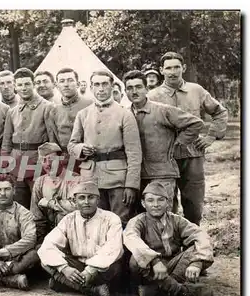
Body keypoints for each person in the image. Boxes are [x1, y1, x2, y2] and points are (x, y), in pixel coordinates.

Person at [148, 51, 228, 225]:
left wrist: (211, 135)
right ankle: (169, 242)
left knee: (194, 202)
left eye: (177, 67)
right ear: (161, 70)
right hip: (165, 157)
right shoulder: (152, 96)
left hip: (193, 154)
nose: (173, 71)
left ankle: (193, 241)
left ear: (183, 68)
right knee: (165, 200)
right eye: (168, 68)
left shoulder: (196, 90)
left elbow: (220, 112)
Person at [68, 69, 142, 226]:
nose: (100, 88)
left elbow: (134, 153)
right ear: (91, 87)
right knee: (96, 221)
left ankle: (122, 251)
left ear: (112, 86)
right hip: (91, 177)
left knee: (120, 221)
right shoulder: (83, 114)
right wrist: (81, 148)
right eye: (96, 84)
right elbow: (72, 144)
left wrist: (131, 185)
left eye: (104, 84)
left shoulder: (125, 114)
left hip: (118, 179)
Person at [123, 70, 204, 210]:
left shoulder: (162, 111)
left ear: (146, 89)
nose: (134, 92)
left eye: (138, 87)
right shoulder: (124, 114)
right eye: (129, 88)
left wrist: (179, 143)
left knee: (164, 217)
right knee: (141, 218)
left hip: (162, 174)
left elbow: (195, 123)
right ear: (125, 91)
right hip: (136, 176)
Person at [123, 182, 214, 296]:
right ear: (143, 204)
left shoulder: (176, 220)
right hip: (150, 271)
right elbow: (132, 238)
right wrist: (154, 261)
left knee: (195, 248)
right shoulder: (137, 221)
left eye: (160, 200)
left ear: (168, 202)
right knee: (136, 258)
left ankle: (159, 290)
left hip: (174, 267)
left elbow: (201, 236)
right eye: (150, 200)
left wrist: (196, 263)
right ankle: (181, 291)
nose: (155, 205)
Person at [37, 181, 123, 296]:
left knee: (115, 266)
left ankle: (64, 283)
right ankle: (92, 290)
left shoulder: (111, 219)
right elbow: (49, 244)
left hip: (101, 269)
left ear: (98, 200)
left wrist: (90, 271)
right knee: (45, 261)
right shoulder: (69, 219)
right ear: (75, 201)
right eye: (82, 198)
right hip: (77, 267)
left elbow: (113, 248)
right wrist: (65, 268)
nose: (86, 202)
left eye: (91, 197)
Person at [2, 67, 56, 209]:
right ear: (15, 86)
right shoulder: (12, 111)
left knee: (40, 204)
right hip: (16, 164)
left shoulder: (47, 107)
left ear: (33, 84)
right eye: (20, 85)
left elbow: (52, 141)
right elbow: (6, 141)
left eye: (27, 84)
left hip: (38, 164)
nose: (23, 88)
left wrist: (50, 165)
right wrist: (5, 164)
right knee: (19, 204)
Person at [30, 143, 79, 243]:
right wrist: (40, 240)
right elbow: (37, 216)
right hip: (48, 234)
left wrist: (50, 203)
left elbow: (76, 207)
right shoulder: (40, 182)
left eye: (51, 159)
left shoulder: (74, 179)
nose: (47, 164)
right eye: (43, 160)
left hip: (72, 234)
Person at [48, 68, 93, 153]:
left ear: (78, 84)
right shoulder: (54, 110)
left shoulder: (90, 104)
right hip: (65, 159)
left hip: (88, 157)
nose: (66, 85)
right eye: (62, 81)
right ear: (57, 85)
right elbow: (54, 141)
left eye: (70, 80)